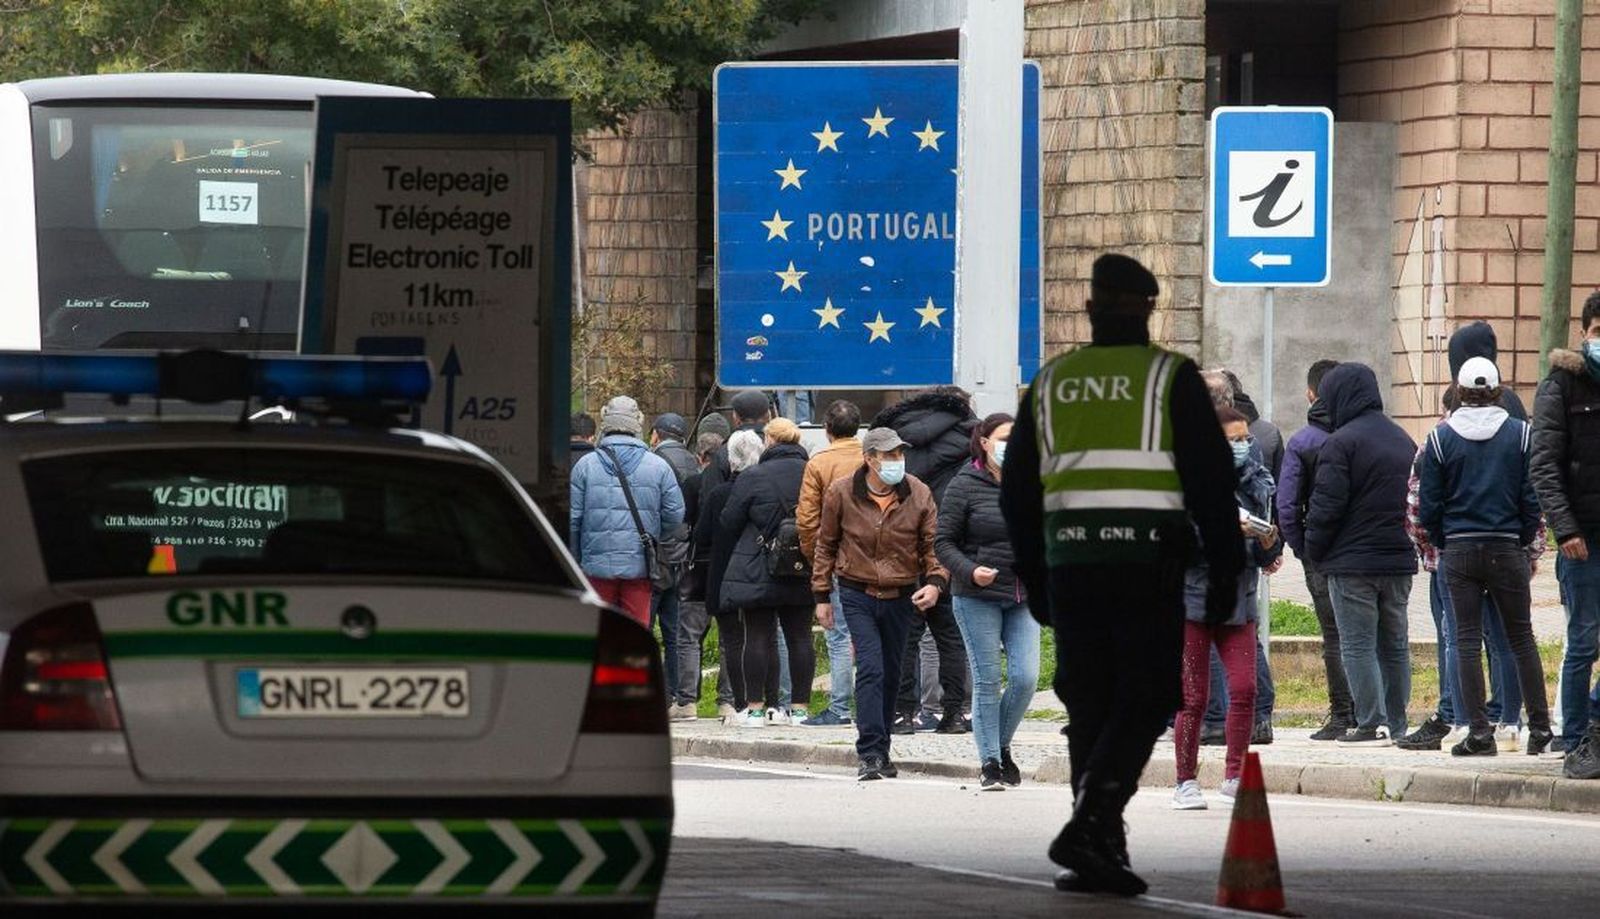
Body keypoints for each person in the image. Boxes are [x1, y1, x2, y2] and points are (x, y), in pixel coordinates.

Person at [1002, 254, 1242, 896]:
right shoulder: (1170, 377)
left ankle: (1099, 847)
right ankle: (1092, 823)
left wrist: (1036, 575)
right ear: (1149, 309)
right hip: (1146, 565)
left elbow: (1017, 492)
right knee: (1149, 694)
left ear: (1089, 308)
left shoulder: (1054, 380)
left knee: (1090, 701)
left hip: (1072, 567)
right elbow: (1213, 483)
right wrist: (1224, 568)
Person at [1418, 357, 1552, 756]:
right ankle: (1540, 730)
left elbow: (1428, 507)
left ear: (1458, 392)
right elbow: (1532, 499)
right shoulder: (1521, 435)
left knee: (1465, 641)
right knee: (1521, 638)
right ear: (1499, 392)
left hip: (1459, 549)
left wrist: (1447, 539)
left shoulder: (1440, 438)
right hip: (1506, 545)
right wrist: (1522, 539)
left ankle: (1479, 732)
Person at [811, 427, 947, 780]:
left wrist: (935, 583)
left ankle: (883, 749)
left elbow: (933, 545)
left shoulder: (918, 493)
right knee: (870, 667)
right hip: (856, 592)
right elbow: (825, 545)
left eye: (899, 455)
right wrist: (822, 595)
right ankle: (869, 751)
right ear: (869, 458)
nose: (896, 462)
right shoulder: (842, 492)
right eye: (888, 456)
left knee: (891, 673)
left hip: (902, 595)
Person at [1172, 406, 1282, 810]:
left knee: (1244, 688)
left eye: (1244, 439)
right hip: (1193, 599)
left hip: (1238, 598)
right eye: (1231, 440)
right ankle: (1184, 780)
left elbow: (1268, 537)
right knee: (1194, 696)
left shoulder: (1256, 481)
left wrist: (1269, 545)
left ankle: (1234, 774)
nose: (1240, 447)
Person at [1303, 362, 1418, 746]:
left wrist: (1312, 551)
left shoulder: (1340, 442)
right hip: (1399, 560)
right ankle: (1397, 723)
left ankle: (1369, 722)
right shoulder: (1403, 439)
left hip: (1352, 564)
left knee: (1357, 644)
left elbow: (1326, 507)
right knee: (1395, 643)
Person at [936, 412, 1039, 790]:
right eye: (1005, 437)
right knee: (987, 679)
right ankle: (990, 762)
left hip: (1024, 595)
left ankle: (1001, 743)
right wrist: (969, 570)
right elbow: (943, 542)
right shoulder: (964, 484)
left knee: (1026, 677)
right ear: (984, 441)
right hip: (977, 595)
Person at [875, 385, 974, 734]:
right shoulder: (972, 438)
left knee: (905, 634)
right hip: (952, 545)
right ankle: (955, 713)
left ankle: (903, 713)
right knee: (951, 634)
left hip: (901, 544)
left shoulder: (894, 438)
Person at [1531, 293, 1600, 771]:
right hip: (1583, 540)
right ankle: (1575, 741)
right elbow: (1544, 466)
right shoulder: (1561, 386)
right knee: (1584, 640)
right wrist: (1565, 529)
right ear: (1585, 333)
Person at [717, 418, 816, 727]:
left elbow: (729, 521)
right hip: (803, 565)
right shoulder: (812, 472)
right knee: (800, 637)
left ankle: (756, 710)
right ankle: (799, 709)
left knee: (757, 636)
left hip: (758, 568)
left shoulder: (753, 476)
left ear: (770, 441)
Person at [1277, 358, 1353, 741]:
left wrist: (1299, 546)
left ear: (1311, 394)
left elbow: (1287, 505)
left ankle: (1342, 715)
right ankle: (1375, 712)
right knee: (1371, 634)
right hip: (1361, 549)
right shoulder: (1362, 433)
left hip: (1319, 552)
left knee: (1335, 635)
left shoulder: (1304, 441)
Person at [569, 396, 685, 627]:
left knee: (599, 634)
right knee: (635, 635)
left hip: (595, 566)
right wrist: (654, 536)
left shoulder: (585, 466)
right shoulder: (659, 466)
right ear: (637, 425)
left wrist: (578, 558)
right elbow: (675, 516)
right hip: (641, 566)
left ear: (605, 424)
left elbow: (573, 519)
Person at [797, 399, 865, 727]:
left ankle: (840, 708)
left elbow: (807, 520)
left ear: (826, 431)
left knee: (838, 635)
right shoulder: (873, 458)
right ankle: (873, 704)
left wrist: (816, 560)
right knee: (873, 633)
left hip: (838, 558)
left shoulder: (819, 463)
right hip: (879, 558)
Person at [699, 429, 765, 722]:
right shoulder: (766, 490)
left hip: (722, 575)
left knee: (733, 640)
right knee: (762, 638)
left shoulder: (719, 494)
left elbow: (701, 535)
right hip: (758, 574)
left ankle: (739, 703)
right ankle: (765, 701)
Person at [669, 431, 726, 721]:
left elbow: (681, 527)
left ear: (700, 457)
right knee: (730, 637)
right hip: (728, 568)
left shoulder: (692, 484)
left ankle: (686, 702)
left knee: (689, 637)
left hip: (697, 567)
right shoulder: (734, 484)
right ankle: (727, 701)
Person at [649, 412, 698, 700]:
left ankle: (653, 692)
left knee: (645, 624)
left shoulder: (654, 462)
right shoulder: (694, 461)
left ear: (656, 434)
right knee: (676, 631)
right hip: (685, 555)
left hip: (659, 556)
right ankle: (676, 693)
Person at [701, 390, 771, 496]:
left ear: (736, 418)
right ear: (768, 416)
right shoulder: (778, 446)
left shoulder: (725, 452)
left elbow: (710, 496)